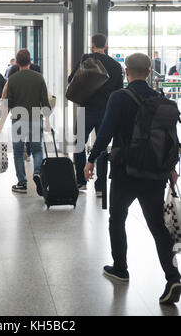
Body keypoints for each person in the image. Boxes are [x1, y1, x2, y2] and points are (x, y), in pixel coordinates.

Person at [84, 53, 181, 305]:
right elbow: (171, 138)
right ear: (149, 72)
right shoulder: (159, 99)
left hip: (124, 170)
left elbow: (105, 133)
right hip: (154, 173)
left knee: (117, 218)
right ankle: (173, 276)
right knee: (158, 226)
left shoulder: (118, 98)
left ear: (126, 71)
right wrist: (171, 167)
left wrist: (91, 159)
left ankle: (120, 268)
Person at [68, 33, 123, 196]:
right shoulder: (115, 65)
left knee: (79, 145)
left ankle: (81, 181)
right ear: (105, 45)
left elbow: (71, 79)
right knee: (102, 146)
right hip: (107, 110)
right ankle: (100, 187)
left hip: (86, 108)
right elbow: (119, 90)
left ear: (92, 45)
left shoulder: (86, 60)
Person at [0, 49, 51, 195]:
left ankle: (22, 183)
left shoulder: (12, 79)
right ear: (30, 61)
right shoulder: (39, 77)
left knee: (19, 152)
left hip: (18, 119)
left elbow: (7, 104)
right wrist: (47, 121)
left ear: (17, 62)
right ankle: (38, 172)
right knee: (37, 149)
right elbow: (45, 102)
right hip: (35, 117)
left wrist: (1, 123)